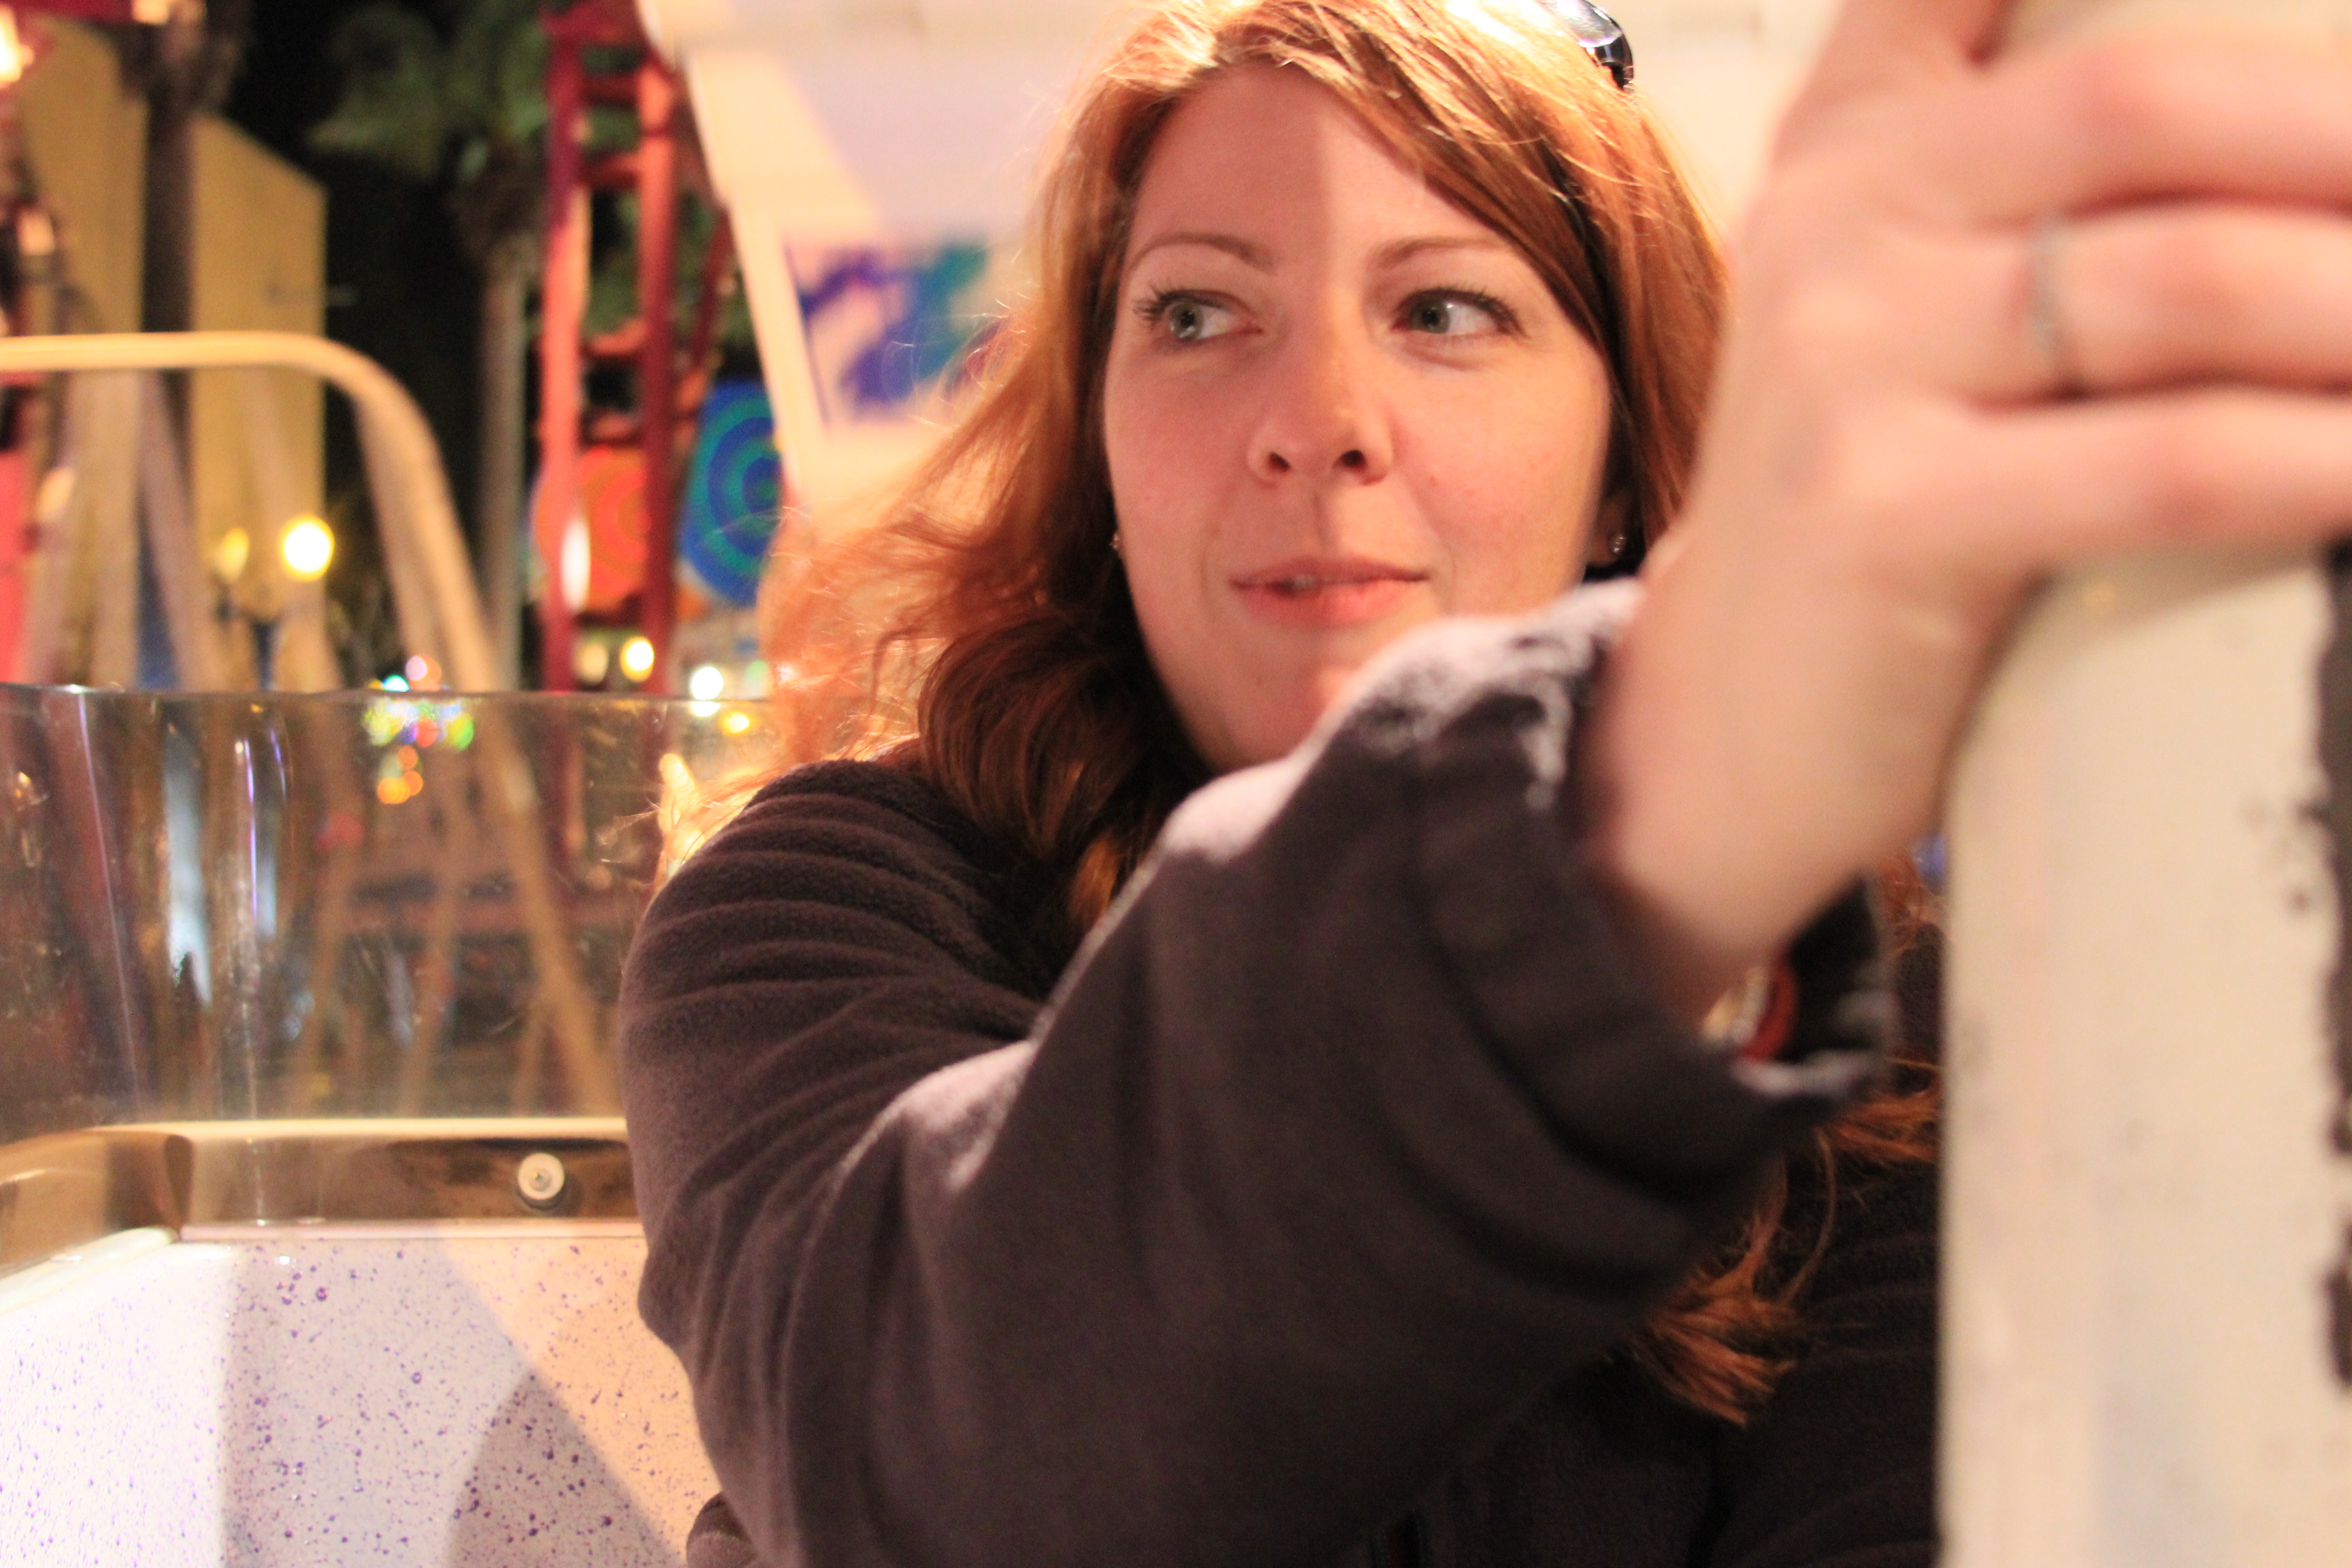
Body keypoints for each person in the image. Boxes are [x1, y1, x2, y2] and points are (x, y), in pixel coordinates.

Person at [619, 1, 2352, 1564]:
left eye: (1445, 310)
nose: (1317, 417)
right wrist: (1673, 775)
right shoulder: (822, 914)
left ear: (1621, 470)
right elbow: (934, 1471)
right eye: (1199, 313)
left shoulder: (1896, 1046)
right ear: (1101, 451)